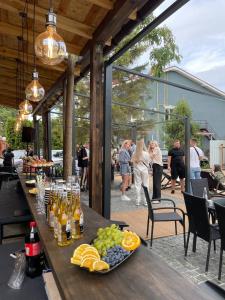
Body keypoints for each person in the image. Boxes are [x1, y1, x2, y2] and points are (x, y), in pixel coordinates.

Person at [131, 139, 150, 206]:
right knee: (146, 185)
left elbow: (133, 162)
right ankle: (146, 201)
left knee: (137, 185)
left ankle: (137, 201)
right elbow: (148, 162)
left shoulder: (134, 153)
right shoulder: (146, 153)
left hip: (137, 170)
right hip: (144, 170)